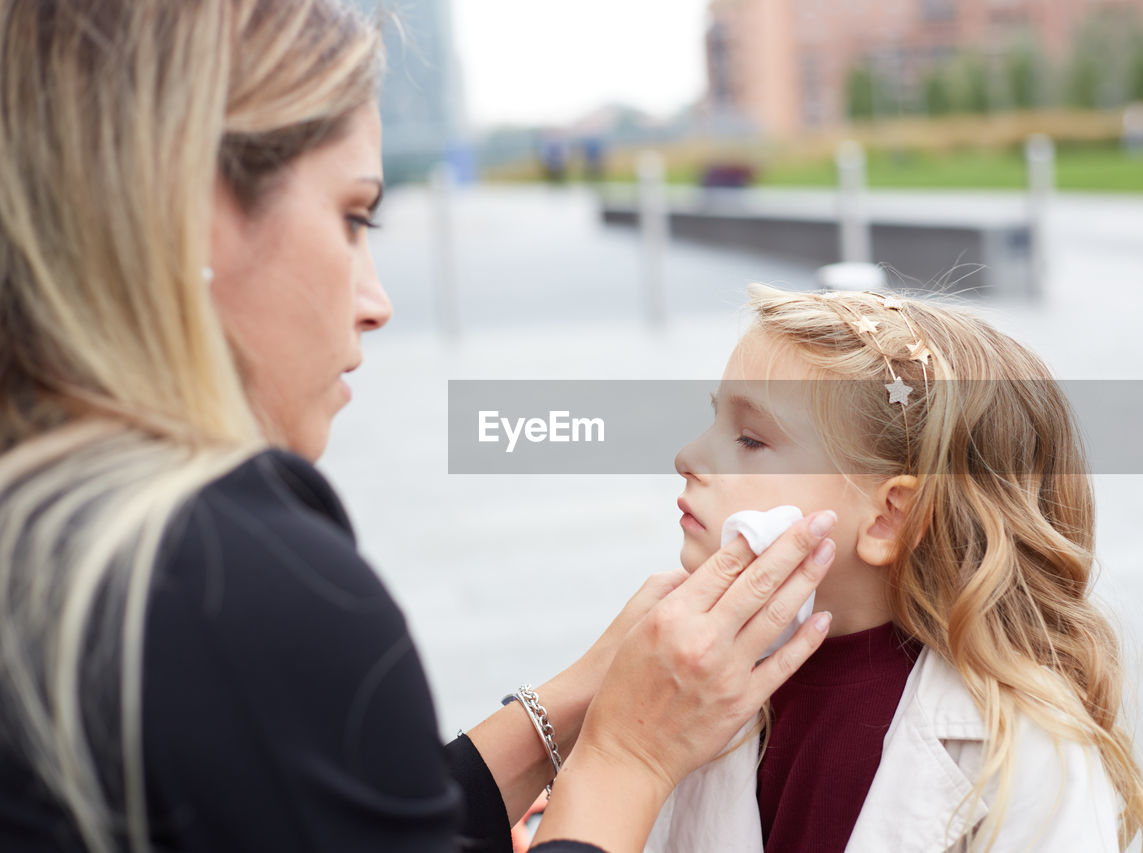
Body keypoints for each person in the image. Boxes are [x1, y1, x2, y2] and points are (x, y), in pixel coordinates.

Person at [0, 3, 837, 852]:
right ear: (186, 211)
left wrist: (585, 696)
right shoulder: (230, 590)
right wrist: (629, 756)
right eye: (353, 218)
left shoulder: (53, 520)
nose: (377, 302)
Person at [662, 283, 1143, 852]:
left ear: (888, 518)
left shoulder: (1031, 753)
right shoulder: (698, 673)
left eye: (750, 439)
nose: (688, 457)